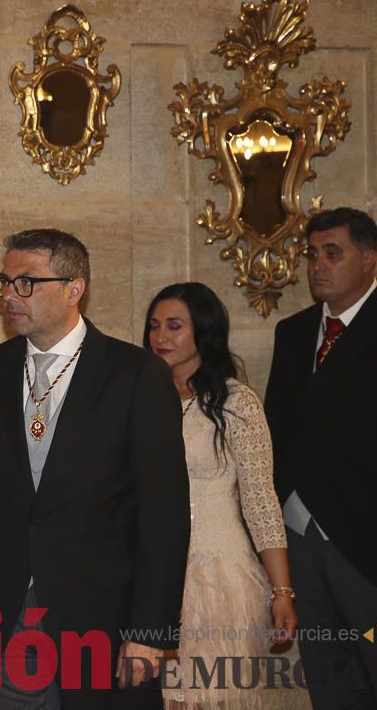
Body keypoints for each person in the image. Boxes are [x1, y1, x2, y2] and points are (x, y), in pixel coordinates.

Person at [0, 228, 190, 708]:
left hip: (101, 612)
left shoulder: (136, 374)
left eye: (27, 283)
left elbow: (164, 517)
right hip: (7, 603)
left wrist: (149, 630)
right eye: (5, 282)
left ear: (73, 288)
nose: (10, 296)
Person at [144, 282, 308, 709]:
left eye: (175, 326)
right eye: (154, 326)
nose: (160, 336)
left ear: (204, 331)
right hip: (153, 581)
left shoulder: (237, 403)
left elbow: (261, 501)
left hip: (219, 580)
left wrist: (282, 592)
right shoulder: (137, 399)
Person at [264, 207, 377, 708]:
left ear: (369, 260)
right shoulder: (293, 332)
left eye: (334, 253)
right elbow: (277, 432)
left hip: (364, 541)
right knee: (329, 681)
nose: (318, 265)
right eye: (312, 254)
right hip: (300, 539)